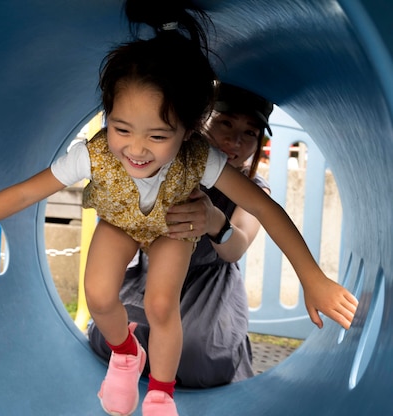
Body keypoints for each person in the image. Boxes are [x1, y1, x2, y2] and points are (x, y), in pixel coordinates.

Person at [0, 2, 358, 415]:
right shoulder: (95, 154)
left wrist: (312, 278)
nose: (136, 149)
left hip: (172, 229)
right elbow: (23, 193)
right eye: (121, 129)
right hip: (120, 221)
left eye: (158, 136)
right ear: (107, 114)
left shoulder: (202, 159)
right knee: (98, 295)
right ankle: (125, 354)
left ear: (189, 131)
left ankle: (160, 391)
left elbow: (266, 209)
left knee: (160, 305)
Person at [88, 81, 279, 388]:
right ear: (203, 122)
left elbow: (236, 248)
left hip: (209, 280)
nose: (234, 140)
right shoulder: (173, 164)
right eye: (225, 123)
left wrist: (216, 221)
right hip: (157, 272)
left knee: (198, 351)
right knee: (113, 332)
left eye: (250, 133)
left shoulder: (253, 187)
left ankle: (166, 388)